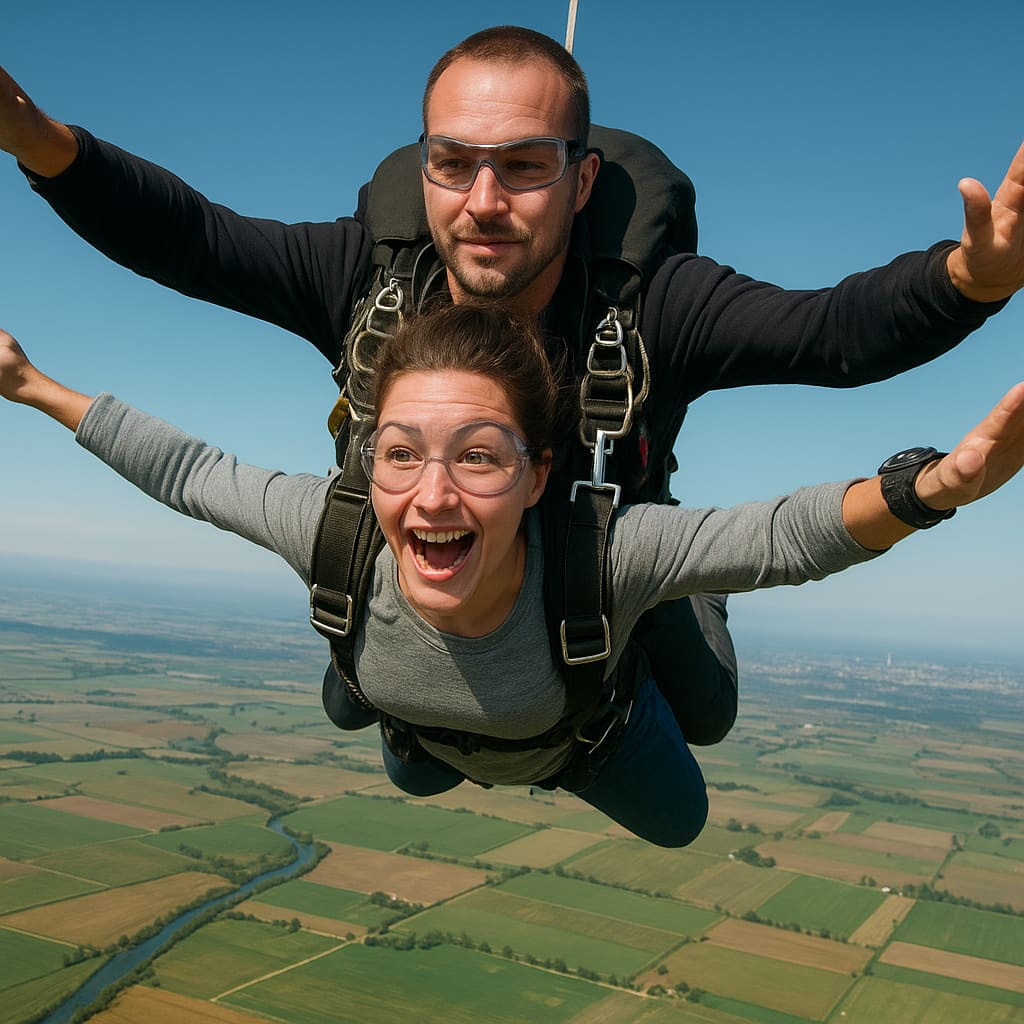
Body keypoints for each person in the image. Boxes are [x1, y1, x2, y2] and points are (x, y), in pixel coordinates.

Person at [1, 26, 1022, 749]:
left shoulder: (652, 304)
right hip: (433, 556)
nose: (483, 203)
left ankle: (679, 593)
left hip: (597, 556)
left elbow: (829, 333)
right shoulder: (365, 274)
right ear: (427, 169)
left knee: (700, 716)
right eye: (454, 164)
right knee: (358, 699)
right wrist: (39, 144)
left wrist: (963, 284)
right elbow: (192, 241)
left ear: (581, 183)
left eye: (524, 167)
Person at [2, 304, 1023, 847]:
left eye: (479, 457)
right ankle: (402, 708)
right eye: (399, 452)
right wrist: (30, 384)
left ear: (538, 475)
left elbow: (785, 536)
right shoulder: (339, 527)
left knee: (682, 822)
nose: (431, 495)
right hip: (430, 724)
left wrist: (932, 488)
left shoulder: (603, 554)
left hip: (585, 741)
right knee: (389, 741)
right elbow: (185, 469)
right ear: (369, 462)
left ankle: (677, 608)